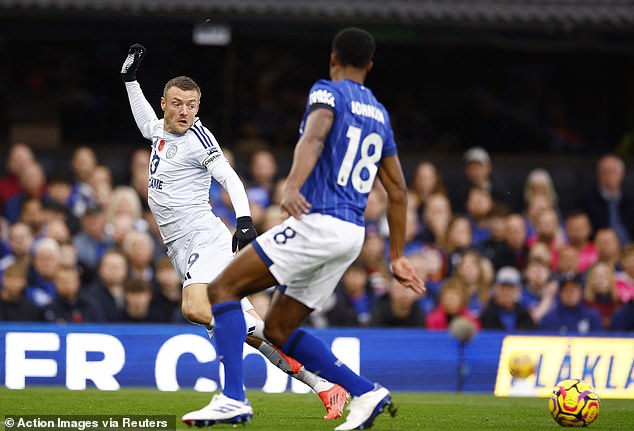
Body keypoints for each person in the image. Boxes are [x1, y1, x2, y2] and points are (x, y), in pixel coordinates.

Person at [182, 28, 424, 430]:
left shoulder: (327, 92)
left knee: (222, 290)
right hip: (352, 234)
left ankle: (232, 399)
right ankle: (365, 392)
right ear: (370, 66)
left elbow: (313, 137)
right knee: (277, 328)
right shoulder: (380, 115)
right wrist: (396, 255)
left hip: (319, 222)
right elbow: (397, 188)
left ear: (333, 59)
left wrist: (291, 185)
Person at [121, 44, 347, 421]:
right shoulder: (159, 130)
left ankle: (239, 383)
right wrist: (129, 79)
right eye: (177, 104)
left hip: (203, 238)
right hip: (179, 248)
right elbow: (144, 118)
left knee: (195, 309)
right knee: (257, 334)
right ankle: (326, 386)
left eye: (192, 105)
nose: (184, 112)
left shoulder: (198, 138)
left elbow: (229, 177)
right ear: (164, 103)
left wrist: (244, 221)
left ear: (198, 106)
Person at [480, 266, 535, 331]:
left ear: (518, 290)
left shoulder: (524, 315)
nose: (506, 292)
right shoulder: (486, 314)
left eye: (510, 288)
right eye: (503, 288)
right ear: (495, 288)